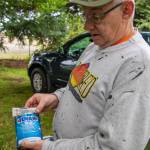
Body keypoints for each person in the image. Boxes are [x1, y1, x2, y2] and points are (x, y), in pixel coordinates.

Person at [21, 0, 150, 150]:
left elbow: (112, 147)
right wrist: (55, 98)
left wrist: (47, 147)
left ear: (126, 10)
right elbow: (79, 88)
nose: (86, 26)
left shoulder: (139, 64)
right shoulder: (94, 47)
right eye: (85, 16)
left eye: (95, 17)